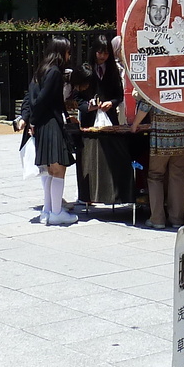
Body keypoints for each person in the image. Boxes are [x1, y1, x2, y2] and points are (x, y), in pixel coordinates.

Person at [24, 37, 77, 225]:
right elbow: (43, 100)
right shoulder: (54, 72)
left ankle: (47, 210)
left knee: (48, 169)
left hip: (42, 125)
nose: (69, 56)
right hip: (51, 123)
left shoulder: (41, 69)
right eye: (68, 51)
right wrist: (34, 120)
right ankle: (56, 213)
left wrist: (33, 121)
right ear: (61, 51)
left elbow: (32, 97)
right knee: (58, 168)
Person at [132, 101, 184, 230]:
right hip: (181, 135)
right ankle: (177, 219)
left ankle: (157, 218)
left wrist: (135, 124)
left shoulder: (157, 84)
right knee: (177, 176)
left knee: (155, 176)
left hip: (160, 137)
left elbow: (146, 104)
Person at [81, 36, 123, 128]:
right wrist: (88, 106)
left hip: (109, 118)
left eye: (106, 53)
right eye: (100, 53)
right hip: (89, 120)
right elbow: (77, 97)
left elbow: (119, 95)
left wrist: (111, 103)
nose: (103, 56)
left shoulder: (113, 70)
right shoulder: (86, 69)